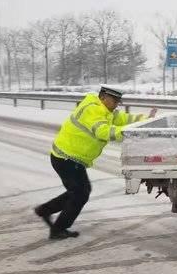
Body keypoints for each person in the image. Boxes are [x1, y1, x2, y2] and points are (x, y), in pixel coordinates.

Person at [34, 86, 157, 239]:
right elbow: (103, 132)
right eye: (115, 100)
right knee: (80, 193)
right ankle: (57, 228)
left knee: (78, 192)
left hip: (71, 158)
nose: (117, 104)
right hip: (66, 158)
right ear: (103, 97)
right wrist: (131, 132)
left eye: (118, 101)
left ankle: (45, 210)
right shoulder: (93, 110)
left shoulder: (105, 110)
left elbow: (124, 119)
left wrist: (146, 120)